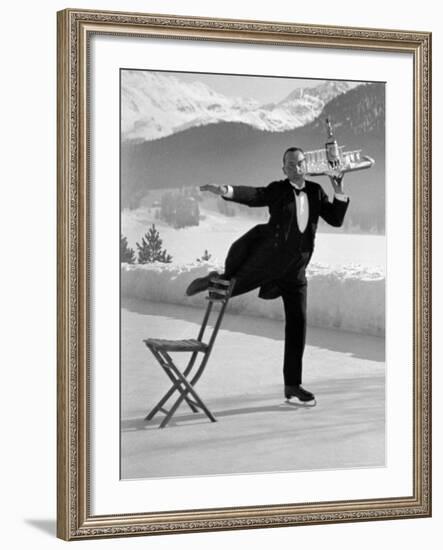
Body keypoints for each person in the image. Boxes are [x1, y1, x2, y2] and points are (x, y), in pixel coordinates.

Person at [186, 147, 349, 404]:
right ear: (284, 169)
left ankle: (292, 385)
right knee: (231, 287)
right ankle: (214, 278)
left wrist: (338, 188)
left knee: (298, 325)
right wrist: (226, 190)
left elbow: (336, 219)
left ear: (306, 165)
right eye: (290, 164)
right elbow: (254, 195)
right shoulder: (278, 189)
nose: (295, 168)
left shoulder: (316, 191)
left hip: (296, 270)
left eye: (299, 163)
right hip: (269, 261)